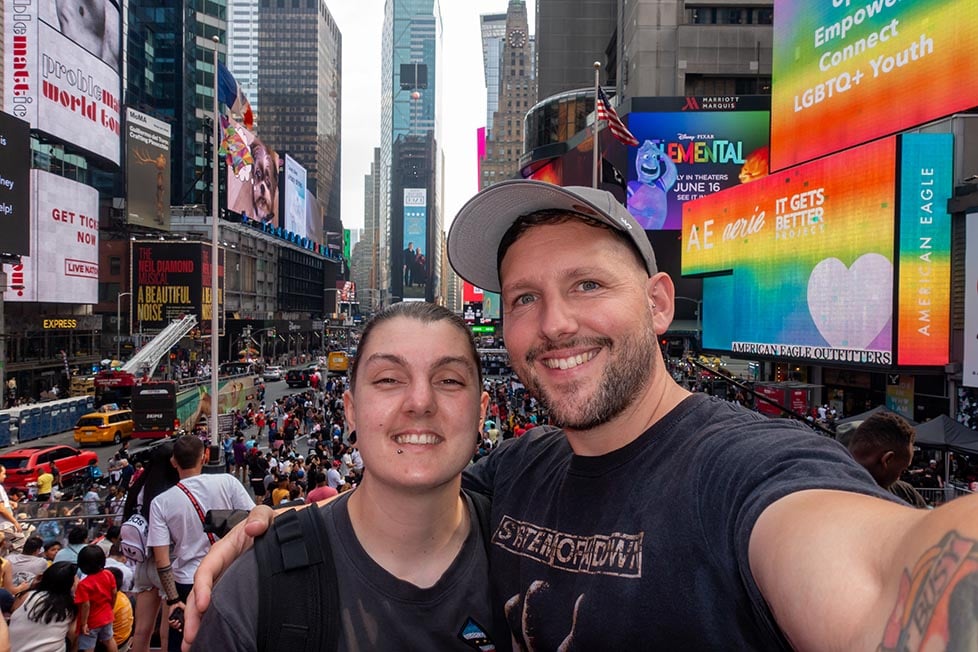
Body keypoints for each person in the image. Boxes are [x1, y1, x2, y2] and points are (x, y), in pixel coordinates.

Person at [187, 180, 978, 650]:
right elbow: (407, 494)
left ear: (659, 302)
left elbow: (883, 575)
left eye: (587, 285)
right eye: (525, 298)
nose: (555, 322)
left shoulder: (742, 471)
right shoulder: (518, 472)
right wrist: (276, 534)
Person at [191, 302, 499, 650]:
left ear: (482, 411)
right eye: (388, 379)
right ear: (351, 412)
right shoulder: (255, 594)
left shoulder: (524, 557)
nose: (420, 401)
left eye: (448, 380)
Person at [148, 434, 253, 651]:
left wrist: (173, 600)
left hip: (187, 583)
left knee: (188, 642)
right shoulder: (228, 482)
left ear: (173, 461)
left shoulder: (160, 503)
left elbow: (162, 560)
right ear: (204, 456)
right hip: (229, 573)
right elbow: (252, 521)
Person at [121, 441, 179, 652]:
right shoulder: (168, 492)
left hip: (142, 563)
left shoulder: (138, 488)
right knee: (167, 631)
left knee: (141, 630)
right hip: (166, 563)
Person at [844, 412, 928, 508]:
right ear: (887, 460)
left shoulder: (826, 490)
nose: (899, 478)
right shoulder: (904, 495)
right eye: (902, 471)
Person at [8, 561, 79, 652]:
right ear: (69, 585)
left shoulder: (26, 596)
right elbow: (73, 634)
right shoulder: (70, 607)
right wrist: (77, 592)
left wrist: (33, 585)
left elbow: (13, 611)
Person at [75, 545, 119, 652]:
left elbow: (86, 605)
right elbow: (114, 592)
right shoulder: (108, 574)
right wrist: (111, 607)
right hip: (107, 615)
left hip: (92, 620)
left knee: (88, 645)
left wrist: (84, 623)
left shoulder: (83, 585)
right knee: (109, 640)